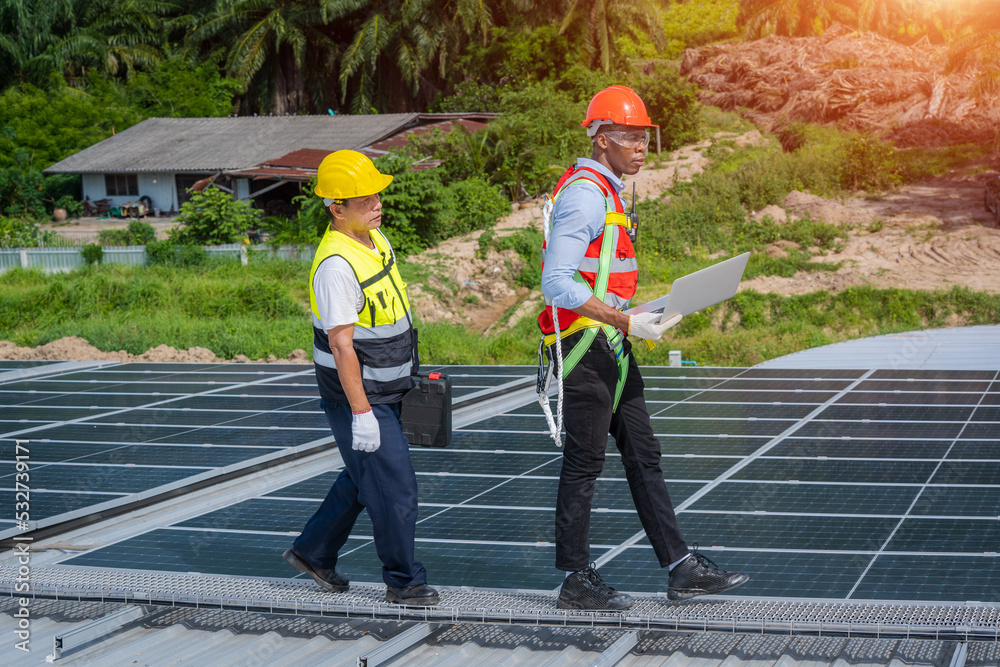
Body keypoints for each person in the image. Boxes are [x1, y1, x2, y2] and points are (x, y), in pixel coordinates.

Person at [538, 86, 749, 610]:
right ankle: (575, 579)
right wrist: (625, 319)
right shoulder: (586, 194)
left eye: (645, 137)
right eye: (631, 137)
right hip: (584, 345)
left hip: (611, 342)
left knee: (644, 455)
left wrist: (642, 312)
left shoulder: (611, 190)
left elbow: (602, 276)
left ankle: (680, 568)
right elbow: (556, 283)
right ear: (602, 138)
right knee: (584, 463)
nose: (641, 146)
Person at [282, 150, 439, 607]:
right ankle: (403, 582)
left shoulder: (376, 240)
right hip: (359, 395)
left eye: (376, 191)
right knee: (395, 488)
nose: (377, 201)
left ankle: (313, 551)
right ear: (337, 208)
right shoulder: (336, 266)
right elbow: (343, 346)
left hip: (390, 386)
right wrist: (363, 413)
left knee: (363, 476)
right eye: (363, 197)